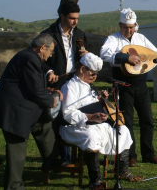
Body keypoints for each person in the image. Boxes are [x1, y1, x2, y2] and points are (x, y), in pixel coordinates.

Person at [100, 8, 157, 167]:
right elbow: (104, 54)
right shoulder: (113, 39)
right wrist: (126, 57)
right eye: (125, 27)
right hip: (123, 87)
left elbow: (156, 56)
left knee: (147, 121)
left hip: (141, 86)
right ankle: (130, 156)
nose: (129, 30)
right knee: (127, 123)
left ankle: (148, 154)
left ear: (135, 25)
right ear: (120, 25)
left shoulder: (141, 38)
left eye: (131, 27)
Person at [59, 53, 142, 188]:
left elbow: (94, 106)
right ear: (82, 69)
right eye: (92, 74)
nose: (94, 77)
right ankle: (95, 180)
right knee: (91, 137)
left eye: (96, 74)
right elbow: (68, 113)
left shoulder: (89, 85)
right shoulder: (70, 87)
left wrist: (102, 101)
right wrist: (90, 117)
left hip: (96, 124)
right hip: (75, 127)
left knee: (123, 130)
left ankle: (121, 171)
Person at [0, 33, 63, 190]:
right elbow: (34, 90)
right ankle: (14, 186)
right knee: (17, 152)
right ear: (42, 48)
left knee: (43, 126)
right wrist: (50, 100)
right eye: (50, 51)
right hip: (14, 112)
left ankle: (52, 161)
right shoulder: (30, 60)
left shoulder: (29, 57)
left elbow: (31, 86)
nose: (50, 55)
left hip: (24, 108)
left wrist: (49, 91)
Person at [41, 1, 88, 163]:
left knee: (74, 118)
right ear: (62, 16)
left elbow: (84, 61)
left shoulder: (80, 34)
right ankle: (61, 157)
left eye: (77, 18)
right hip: (57, 83)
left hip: (75, 83)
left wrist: (86, 57)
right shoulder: (49, 34)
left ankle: (76, 156)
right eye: (71, 18)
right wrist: (49, 71)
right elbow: (39, 59)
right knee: (57, 120)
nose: (75, 21)